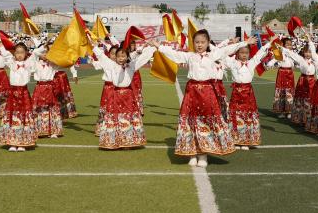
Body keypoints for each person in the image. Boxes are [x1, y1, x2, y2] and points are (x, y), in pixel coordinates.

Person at [156, 30, 250, 167]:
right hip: (191, 92)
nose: (199, 45)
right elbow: (174, 54)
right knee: (190, 122)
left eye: (202, 42)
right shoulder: (190, 56)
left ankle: (203, 155)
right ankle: (192, 154)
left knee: (205, 122)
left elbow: (227, 49)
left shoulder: (213, 55)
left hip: (207, 93)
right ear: (193, 43)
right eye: (197, 42)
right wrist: (158, 46)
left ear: (207, 43)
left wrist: (244, 43)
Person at [89, 38, 156, 149]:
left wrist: (153, 47)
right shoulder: (112, 65)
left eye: (123, 56)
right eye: (119, 56)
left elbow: (143, 58)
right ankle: (114, 140)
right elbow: (102, 57)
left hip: (128, 96)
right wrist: (94, 47)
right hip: (116, 95)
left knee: (127, 118)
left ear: (127, 57)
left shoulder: (132, 65)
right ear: (116, 57)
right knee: (115, 118)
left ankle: (128, 141)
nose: (121, 58)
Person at [223, 41, 273, 149]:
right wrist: (231, 44)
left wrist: (269, 43)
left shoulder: (251, 62)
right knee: (236, 115)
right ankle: (236, 140)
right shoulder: (233, 63)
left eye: (246, 53)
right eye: (241, 52)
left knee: (248, 115)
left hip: (248, 93)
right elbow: (222, 54)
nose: (244, 55)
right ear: (237, 53)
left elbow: (259, 54)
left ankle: (246, 141)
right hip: (236, 92)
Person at [0, 42, 39, 152]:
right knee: (13, 116)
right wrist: (0, 43)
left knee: (24, 116)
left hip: (24, 92)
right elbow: (5, 53)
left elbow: (36, 53)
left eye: (22, 52)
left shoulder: (29, 63)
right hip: (13, 93)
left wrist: (44, 44)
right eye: (17, 52)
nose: (19, 55)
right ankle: (12, 142)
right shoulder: (11, 62)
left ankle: (22, 143)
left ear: (26, 53)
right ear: (14, 54)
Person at [30, 37, 65, 140]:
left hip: (50, 88)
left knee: (52, 108)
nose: (45, 54)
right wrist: (43, 47)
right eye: (43, 53)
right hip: (39, 88)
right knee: (39, 108)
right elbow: (34, 53)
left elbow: (62, 61)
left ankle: (53, 131)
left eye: (47, 53)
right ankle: (38, 130)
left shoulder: (52, 64)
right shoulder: (35, 63)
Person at [284, 43, 316, 127]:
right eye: (306, 52)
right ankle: (300, 118)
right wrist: (282, 49)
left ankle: (310, 118)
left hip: (312, 81)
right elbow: (291, 54)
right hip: (303, 80)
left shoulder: (315, 60)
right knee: (301, 99)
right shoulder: (301, 59)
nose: (308, 54)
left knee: (310, 99)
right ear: (303, 52)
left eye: (310, 52)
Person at [272, 38, 296, 118]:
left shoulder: (292, 54)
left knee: (289, 92)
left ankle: (289, 111)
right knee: (281, 92)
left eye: (290, 44)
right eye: (287, 44)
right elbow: (273, 61)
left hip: (290, 74)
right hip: (282, 73)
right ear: (283, 45)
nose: (290, 46)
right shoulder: (279, 54)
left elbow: (298, 61)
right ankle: (281, 111)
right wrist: (268, 64)